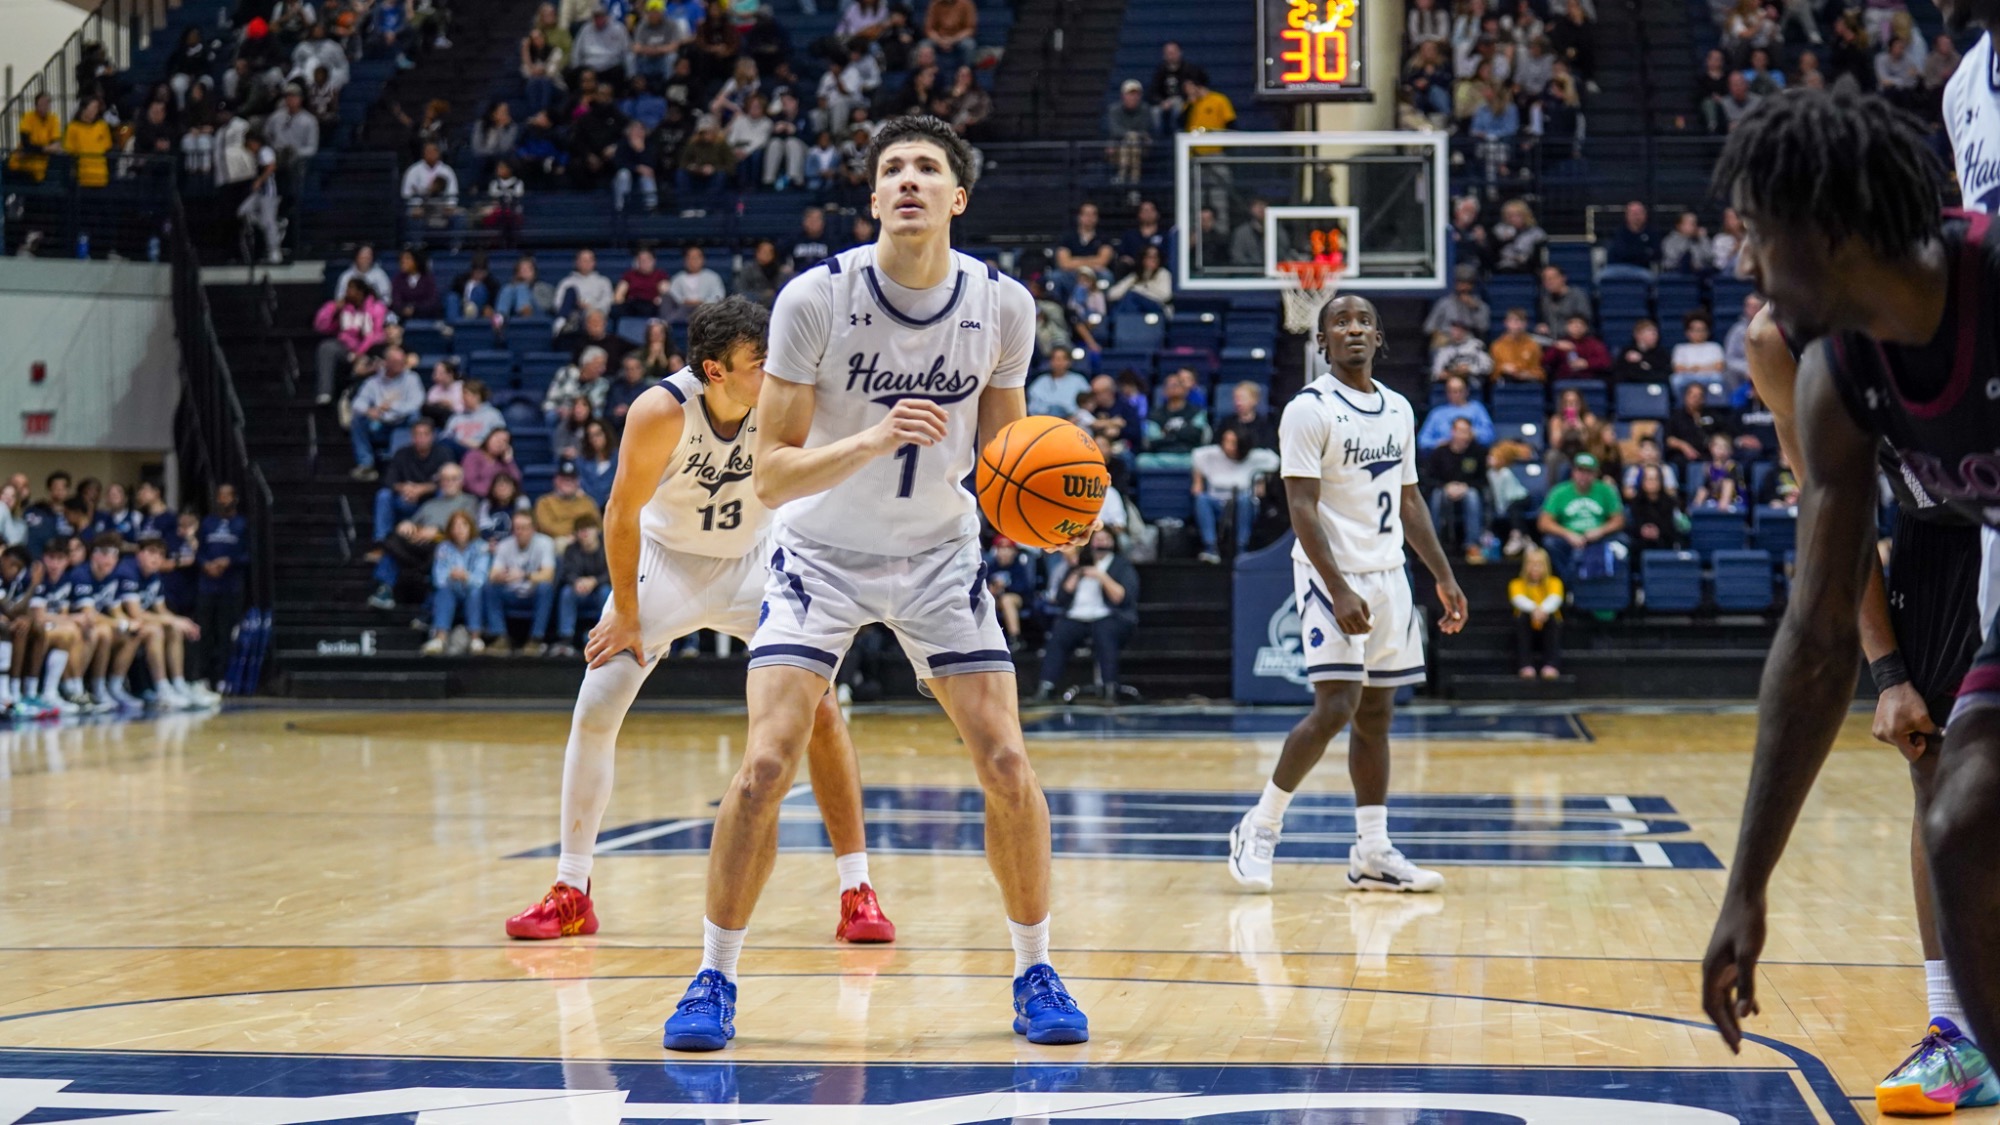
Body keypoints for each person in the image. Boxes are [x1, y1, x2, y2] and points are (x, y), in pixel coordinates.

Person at [660, 116, 1090, 1052]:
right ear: (873, 197)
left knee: (1007, 762)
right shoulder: (816, 297)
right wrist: (872, 436)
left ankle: (1036, 969)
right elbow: (771, 474)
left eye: (927, 168)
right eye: (892, 168)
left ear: (957, 197)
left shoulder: (1003, 305)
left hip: (939, 556)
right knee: (765, 764)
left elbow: (1006, 461)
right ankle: (712, 976)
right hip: (820, 555)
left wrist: (1055, 514)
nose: (908, 180)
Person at [1700, 88, 2000, 1109]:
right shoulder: (1832, 370)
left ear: (1827, 231)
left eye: (1757, 235)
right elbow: (1815, 629)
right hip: (1960, 548)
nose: (1746, 263)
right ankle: (1966, 1041)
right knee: (1956, 810)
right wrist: (1746, 887)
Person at [507, 297, 898, 954]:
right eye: (758, 362)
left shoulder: (784, 399)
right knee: (597, 705)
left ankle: (857, 889)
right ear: (714, 370)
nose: (773, 370)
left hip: (755, 563)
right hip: (667, 564)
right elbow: (620, 511)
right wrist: (626, 611)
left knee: (822, 712)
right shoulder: (661, 410)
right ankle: (571, 890)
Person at [1225, 295, 1468, 896]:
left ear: (1379, 337)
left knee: (1378, 715)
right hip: (1331, 574)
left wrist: (1442, 575)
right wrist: (1337, 588)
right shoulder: (1309, 410)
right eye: (1339, 322)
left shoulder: (1399, 408)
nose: (1353, 328)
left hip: (1389, 574)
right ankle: (1260, 825)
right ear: (1322, 341)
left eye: (1363, 321)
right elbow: (1301, 506)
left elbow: (1409, 499)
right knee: (1336, 706)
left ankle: (1372, 851)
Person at [1033, 526, 1139, 701]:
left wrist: (1101, 576)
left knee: (1104, 633)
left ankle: (1110, 687)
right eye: (1098, 539)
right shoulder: (1079, 565)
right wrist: (1077, 573)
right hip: (1077, 616)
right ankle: (1046, 686)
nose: (1101, 543)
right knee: (1059, 634)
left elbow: (1122, 598)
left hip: (1109, 615)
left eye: (1105, 539)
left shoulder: (1121, 565)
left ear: (1113, 542)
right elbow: (1061, 597)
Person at [1189, 429, 1279, 564]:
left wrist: (1262, 481)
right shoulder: (1213, 455)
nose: (1228, 446)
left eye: (1233, 443)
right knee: (1202, 499)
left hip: (1243, 504)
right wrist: (1198, 480)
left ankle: (1241, 549)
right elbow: (1196, 455)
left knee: (1245, 500)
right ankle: (1210, 548)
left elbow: (1274, 460)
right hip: (1217, 502)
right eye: (1226, 441)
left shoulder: (1255, 457)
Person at [1535, 452, 1624, 580]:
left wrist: (1601, 531)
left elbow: (1619, 520)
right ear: (1573, 472)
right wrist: (1567, 534)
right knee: (1550, 542)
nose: (1583, 476)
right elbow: (1543, 522)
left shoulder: (1606, 490)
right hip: (1569, 536)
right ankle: (1569, 582)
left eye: (1588, 472)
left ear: (1595, 474)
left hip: (1598, 536)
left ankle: (1610, 585)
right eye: (1580, 471)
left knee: (1622, 540)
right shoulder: (1559, 491)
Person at [195, 484, 248, 693]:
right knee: (204, 632)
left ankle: (222, 676)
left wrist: (229, 561)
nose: (223, 499)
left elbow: (249, 554)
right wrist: (206, 564)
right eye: (220, 496)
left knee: (225, 633)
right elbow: (199, 551)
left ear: (235, 498)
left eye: (227, 495)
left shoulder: (242, 524)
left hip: (231, 586)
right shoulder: (208, 522)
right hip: (207, 586)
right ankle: (202, 676)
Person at [348, 347, 424, 480]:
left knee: (415, 416)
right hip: (380, 424)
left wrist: (391, 407)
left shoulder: (411, 378)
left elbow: (416, 402)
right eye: (396, 362)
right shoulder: (373, 382)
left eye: (402, 361)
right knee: (358, 419)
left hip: (403, 422)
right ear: (386, 362)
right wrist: (368, 410)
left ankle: (402, 464)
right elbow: (357, 403)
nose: (401, 365)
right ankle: (366, 464)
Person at [421, 510, 489, 655]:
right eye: (455, 526)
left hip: (472, 592)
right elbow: (438, 578)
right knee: (444, 590)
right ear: (450, 529)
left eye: (463, 525)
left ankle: (475, 638)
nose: (459, 530)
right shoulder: (443, 547)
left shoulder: (481, 547)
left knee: (475, 591)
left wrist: (466, 577)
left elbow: (481, 579)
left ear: (470, 527)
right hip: (451, 591)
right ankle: (440, 638)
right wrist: (450, 576)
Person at [1424, 417, 1490, 562]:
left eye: (1466, 431)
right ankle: (1432, 544)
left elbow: (1483, 480)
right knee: (1436, 495)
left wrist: (1465, 486)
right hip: (1444, 489)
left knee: (1472, 495)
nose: (1463, 435)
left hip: (1467, 489)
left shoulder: (1478, 452)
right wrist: (1446, 486)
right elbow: (1429, 479)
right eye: (1460, 431)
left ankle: (1473, 545)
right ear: (1452, 432)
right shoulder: (1440, 452)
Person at [313, 279, 387, 405]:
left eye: (351, 289)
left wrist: (359, 353)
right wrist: (333, 309)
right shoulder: (343, 308)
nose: (347, 292)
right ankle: (325, 392)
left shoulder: (376, 307)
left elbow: (375, 335)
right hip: (345, 348)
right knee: (326, 347)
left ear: (360, 292)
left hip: (368, 350)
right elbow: (320, 326)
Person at [550, 512, 608, 654]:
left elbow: (613, 573)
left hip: (600, 590)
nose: (585, 534)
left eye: (588, 529)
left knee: (606, 592)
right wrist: (576, 581)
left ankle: (604, 635)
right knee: (567, 592)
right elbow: (567, 573)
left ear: (597, 530)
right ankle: (566, 638)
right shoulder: (571, 549)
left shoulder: (607, 547)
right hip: (579, 591)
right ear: (576, 534)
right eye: (581, 530)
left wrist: (594, 581)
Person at [1509, 547, 1563, 679]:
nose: (1535, 568)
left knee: (1552, 619)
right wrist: (1534, 610)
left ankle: (1551, 664)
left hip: (1547, 625)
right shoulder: (1516, 583)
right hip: (1527, 626)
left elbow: (1555, 599)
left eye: (1539, 564)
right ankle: (1525, 664)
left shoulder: (1554, 582)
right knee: (1522, 617)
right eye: (1531, 564)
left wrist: (1542, 611)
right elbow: (1518, 599)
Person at [1416, 374, 1495, 449]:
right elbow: (1422, 440)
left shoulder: (1477, 408)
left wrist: (1472, 434)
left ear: (1467, 391)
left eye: (1460, 390)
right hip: (1444, 453)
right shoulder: (1437, 413)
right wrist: (1439, 443)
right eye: (1452, 391)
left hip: (1471, 452)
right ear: (1447, 393)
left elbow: (1490, 435)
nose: (1456, 394)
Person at [533, 460, 603, 544]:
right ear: (556, 480)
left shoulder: (587, 502)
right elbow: (547, 527)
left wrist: (577, 535)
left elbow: (598, 526)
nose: (568, 482)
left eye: (572, 479)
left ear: (578, 482)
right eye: (564, 479)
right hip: (557, 541)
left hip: (585, 541)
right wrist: (578, 529)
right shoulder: (545, 502)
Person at [1026, 348, 1090, 418]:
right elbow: (1033, 406)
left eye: (1062, 359)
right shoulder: (1041, 381)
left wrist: (1076, 416)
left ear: (1069, 362)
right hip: (1046, 419)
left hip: (1074, 419)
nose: (1059, 363)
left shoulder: (1078, 380)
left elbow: (1088, 401)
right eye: (1055, 359)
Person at [1489, 308, 1546, 383]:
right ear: (1506, 323)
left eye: (1521, 321)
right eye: (1514, 321)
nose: (1517, 325)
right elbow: (1492, 374)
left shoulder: (1534, 345)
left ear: (1526, 324)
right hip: (1505, 383)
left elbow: (1540, 372)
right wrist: (1502, 368)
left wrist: (1529, 374)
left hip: (1528, 383)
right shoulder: (1497, 346)